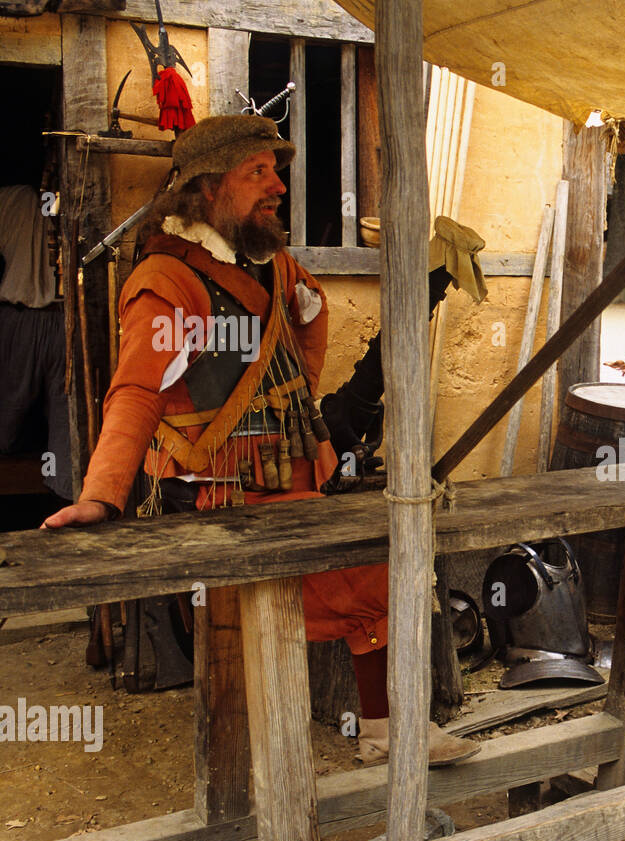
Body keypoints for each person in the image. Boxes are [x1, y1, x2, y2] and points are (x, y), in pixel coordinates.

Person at [41, 115, 478, 768]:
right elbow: (134, 393)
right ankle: (270, 765)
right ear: (210, 187)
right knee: (362, 568)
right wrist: (101, 496)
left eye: (278, 170)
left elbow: (309, 314)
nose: (278, 184)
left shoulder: (273, 266)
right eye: (259, 172)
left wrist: (294, 402)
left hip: (284, 483)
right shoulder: (167, 284)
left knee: (381, 556)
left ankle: (385, 730)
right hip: (212, 498)